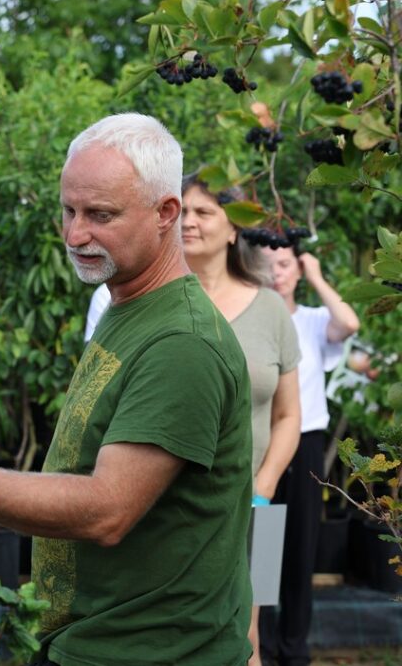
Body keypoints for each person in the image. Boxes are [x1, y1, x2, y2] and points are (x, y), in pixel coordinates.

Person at [0, 113, 254, 665]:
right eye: (68, 210)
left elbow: (106, 511)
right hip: (92, 641)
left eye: (100, 215)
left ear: (167, 213)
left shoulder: (182, 342)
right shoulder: (127, 302)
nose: (74, 234)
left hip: (150, 651)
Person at [180, 173, 302, 666]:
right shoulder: (151, 300)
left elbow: (290, 414)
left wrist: (264, 486)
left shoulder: (272, 307)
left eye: (203, 212)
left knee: (251, 635)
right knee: (179, 630)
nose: (188, 221)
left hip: (260, 502)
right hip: (173, 503)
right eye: (182, 211)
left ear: (234, 230)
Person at [259, 245, 359, 666]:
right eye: (266, 265)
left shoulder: (314, 321)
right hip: (263, 443)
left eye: (284, 264)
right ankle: (258, 648)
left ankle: (294, 650)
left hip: (306, 442)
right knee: (261, 552)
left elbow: (349, 322)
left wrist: (316, 275)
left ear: (298, 268)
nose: (275, 273)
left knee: (301, 548)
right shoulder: (254, 319)